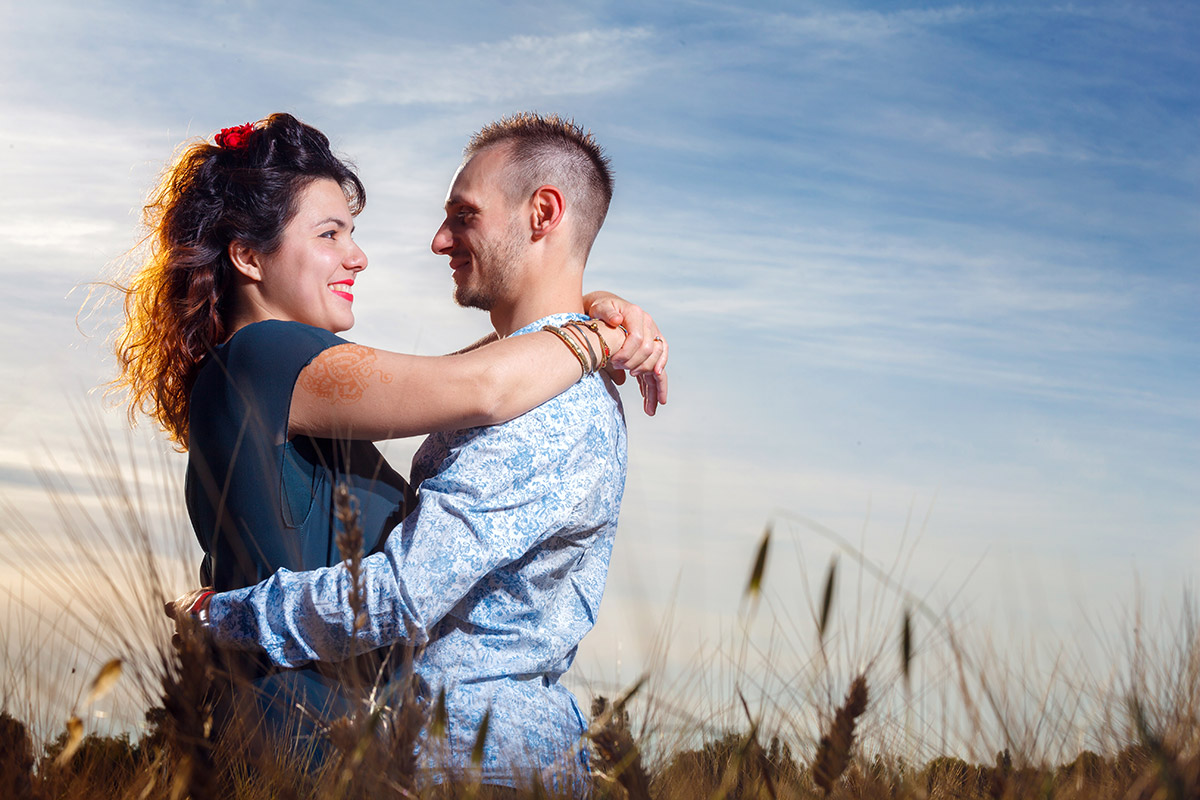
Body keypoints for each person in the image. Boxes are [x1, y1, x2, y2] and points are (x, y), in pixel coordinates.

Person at [115, 113, 665, 752]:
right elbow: (481, 388)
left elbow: (484, 376)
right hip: (309, 735)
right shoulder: (269, 355)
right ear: (247, 256)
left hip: (378, 742)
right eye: (329, 234)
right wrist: (597, 331)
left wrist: (587, 306)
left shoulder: (272, 367)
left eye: (464, 215)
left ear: (544, 214)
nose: (359, 256)